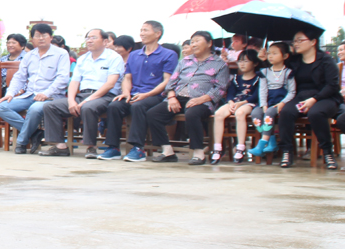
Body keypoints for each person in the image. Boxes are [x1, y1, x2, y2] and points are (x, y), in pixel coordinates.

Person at [97, 21, 179, 162]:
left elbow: (167, 81)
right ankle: (113, 147)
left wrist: (146, 94)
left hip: (156, 95)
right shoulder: (134, 54)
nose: (142, 33)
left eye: (146, 30)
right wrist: (126, 92)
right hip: (134, 94)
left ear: (157, 34)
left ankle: (138, 148)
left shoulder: (168, 54)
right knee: (114, 106)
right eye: (141, 30)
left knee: (138, 106)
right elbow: (127, 77)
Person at [146, 31, 230, 165]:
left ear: (209, 43)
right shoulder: (185, 61)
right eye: (192, 42)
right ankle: (167, 151)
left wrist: (201, 99)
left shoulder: (220, 64)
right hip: (178, 97)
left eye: (197, 41)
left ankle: (198, 153)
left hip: (203, 100)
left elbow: (220, 89)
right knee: (153, 114)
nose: (194, 44)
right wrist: (171, 97)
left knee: (192, 114)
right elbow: (171, 82)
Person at [40, 28, 124, 158]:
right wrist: (71, 100)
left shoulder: (114, 57)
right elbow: (74, 82)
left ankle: (91, 147)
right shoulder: (83, 59)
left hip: (105, 96)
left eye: (93, 38)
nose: (89, 41)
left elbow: (110, 84)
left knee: (88, 107)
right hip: (83, 95)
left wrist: (87, 100)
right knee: (50, 106)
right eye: (88, 38)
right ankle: (60, 146)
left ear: (105, 41)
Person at [0, 24, 70, 154]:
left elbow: (62, 79)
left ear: (50, 37)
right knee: (1, 107)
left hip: (52, 97)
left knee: (35, 109)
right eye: (37, 36)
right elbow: (19, 77)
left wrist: (46, 93)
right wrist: (10, 93)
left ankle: (22, 142)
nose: (41, 38)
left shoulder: (61, 54)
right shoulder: (29, 56)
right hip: (30, 95)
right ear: (32, 39)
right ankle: (35, 133)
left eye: (44, 35)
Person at [277, 30, 342, 169]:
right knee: (286, 112)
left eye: (300, 40)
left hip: (326, 97)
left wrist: (314, 99)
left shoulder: (326, 60)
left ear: (313, 42)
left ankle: (327, 152)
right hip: (301, 97)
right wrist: (263, 59)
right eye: (294, 41)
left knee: (316, 113)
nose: (296, 44)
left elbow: (332, 85)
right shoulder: (294, 61)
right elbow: (276, 67)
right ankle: (287, 151)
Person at [211, 50, 261, 164]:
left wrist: (241, 103)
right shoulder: (236, 78)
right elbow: (230, 93)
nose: (242, 64)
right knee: (218, 114)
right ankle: (217, 148)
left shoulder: (258, 78)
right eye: (240, 61)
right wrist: (231, 102)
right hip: (235, 102)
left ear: (255, 63)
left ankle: (240, 147)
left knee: (240, 113)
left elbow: (256, 95)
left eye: (246, 61)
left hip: (249, 103)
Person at [247, 42, 295, 157]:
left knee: (269, 113)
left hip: (280, 101)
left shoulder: (288, 72)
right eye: (269, 53)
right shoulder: (264, 72)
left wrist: (283, 103)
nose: (271, 56)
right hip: (267, 100)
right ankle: (272, 141)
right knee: (256, 114)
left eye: (275, 53)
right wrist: (263, 104)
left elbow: (292, 92)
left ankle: (262, 144)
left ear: (285, 56)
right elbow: (262, 90)